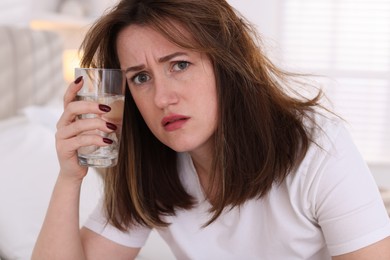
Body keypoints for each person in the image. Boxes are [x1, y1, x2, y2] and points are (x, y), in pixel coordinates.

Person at [32, 0, 390, 259]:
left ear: (227, 64)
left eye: (180, 64)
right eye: (140, 78)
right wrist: (69, 179)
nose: (161, 98)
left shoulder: (317, 148)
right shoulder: (148, 169)